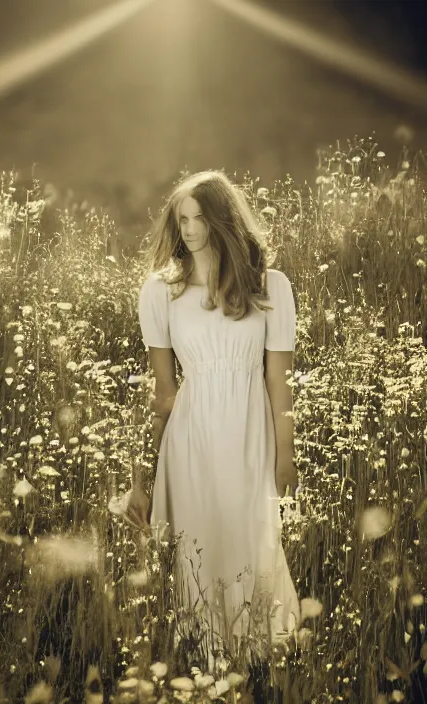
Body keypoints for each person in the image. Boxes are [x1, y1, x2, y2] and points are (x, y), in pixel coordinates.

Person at [132, 169, 300, 667]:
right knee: (199, 553)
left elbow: (279, 384)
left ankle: (261, 667)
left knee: (254, 543)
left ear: (223, 220)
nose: (189, 229)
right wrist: (141, 473)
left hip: (251, 435)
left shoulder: (270, 287)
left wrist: (285, 457)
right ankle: (205, 667)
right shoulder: (160, 292)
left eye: (200, 218)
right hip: (192, 440)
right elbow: (163, 394)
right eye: (181, 219)